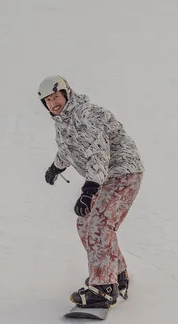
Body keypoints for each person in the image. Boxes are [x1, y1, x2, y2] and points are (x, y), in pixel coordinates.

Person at [38, 75, 144, 309]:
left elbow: (98, 153)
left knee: (99, 224)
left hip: (123, 172)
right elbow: (68, 150)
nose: (53, 103)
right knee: (85, 223)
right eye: (47, 100)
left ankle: (103, 289)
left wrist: (89, 189)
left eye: (55, 96)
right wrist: (56, 167)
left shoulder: (86, 115)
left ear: (66, 93)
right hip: (106, 176)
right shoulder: (64, 122)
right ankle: (116, 274)